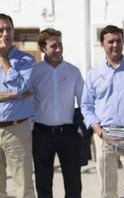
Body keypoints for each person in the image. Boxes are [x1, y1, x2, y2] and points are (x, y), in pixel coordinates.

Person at [81, 25, 124, 198]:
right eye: (110, 41)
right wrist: (99, 131)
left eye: (118, 41)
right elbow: (86, 105)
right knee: (107, 188)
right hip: (104, 136)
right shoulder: (94, 74)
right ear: (102, 44)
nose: (115, 45)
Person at [30, 28, 84, 198]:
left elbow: (84, 102)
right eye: (54, 46)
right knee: (43, 182)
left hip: (68, 133)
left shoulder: (73, 71)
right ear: (43, 48)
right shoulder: (34, 72)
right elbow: (28, 101)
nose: (59, 49)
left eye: (60, 44)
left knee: (73, 183)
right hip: (41, 133)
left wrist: (84, 128)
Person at [0, 13, 35, 198]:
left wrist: (4, 60)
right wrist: (15, 95)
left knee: (24, 187)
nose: (5, 33)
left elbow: (22, 87)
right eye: (0, 30)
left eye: (8, 29)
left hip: (17, 129)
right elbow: (20, 91)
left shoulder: (26, 60)